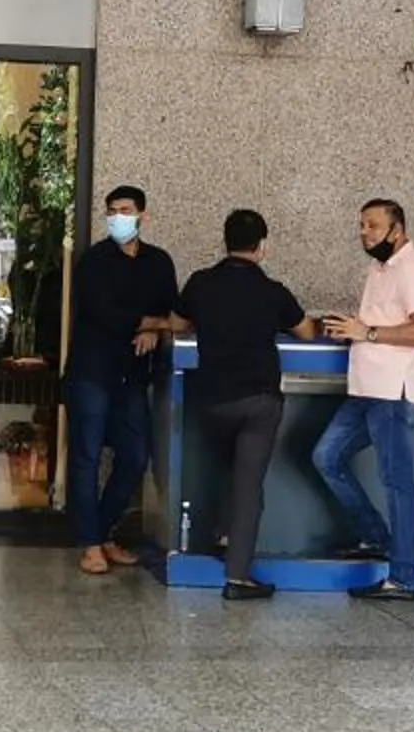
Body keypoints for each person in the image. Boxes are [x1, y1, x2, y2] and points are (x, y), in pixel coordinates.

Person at [172, 208, 316, 602]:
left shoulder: (201, 283)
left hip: (212, 400)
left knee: (224, 469)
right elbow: (306, 332)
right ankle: (238, 576)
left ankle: (220, 534)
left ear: (225, 242)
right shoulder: (273, 292)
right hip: (258, 400)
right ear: (262, 248)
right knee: (248, 483)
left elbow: (176, 324)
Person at [317, 197, 414, 602]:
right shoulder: (380, 267)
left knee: (397, 483)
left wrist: (367, 332)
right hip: (367, 389)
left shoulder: (412, 269)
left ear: (397, 229)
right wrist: (353, 330)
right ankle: (375, 537)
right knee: (326, 457)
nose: (364, 233)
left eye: (372, 226)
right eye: (361, 226)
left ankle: (402, 578)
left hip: (393, 393)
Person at [62, 185, 178, 575]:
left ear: (143, 215)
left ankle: (104, 530)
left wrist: (153, 329)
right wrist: (151, 323)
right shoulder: (93, 261)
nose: (117, 217)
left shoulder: (159, 262)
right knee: (87, 457)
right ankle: (90, 543)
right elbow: (103, 313)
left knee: (134, 457)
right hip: (91, 372)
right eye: (111, 210)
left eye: (125, 210)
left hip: (132, 374)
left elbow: (170, 309)